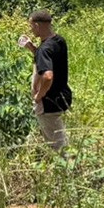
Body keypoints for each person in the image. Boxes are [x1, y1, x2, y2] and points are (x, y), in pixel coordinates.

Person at [19, 10, 71, 153]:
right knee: (61, 135)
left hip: (49, 102)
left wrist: (39, 95)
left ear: (36, 25)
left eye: (31, 26)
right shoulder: (58, 40)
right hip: (61, 96)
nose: (30, 29)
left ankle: (66, 170)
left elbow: (47, 76)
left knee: (57, 145)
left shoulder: (44, 49)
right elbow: (49, 57)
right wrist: (32, 48)